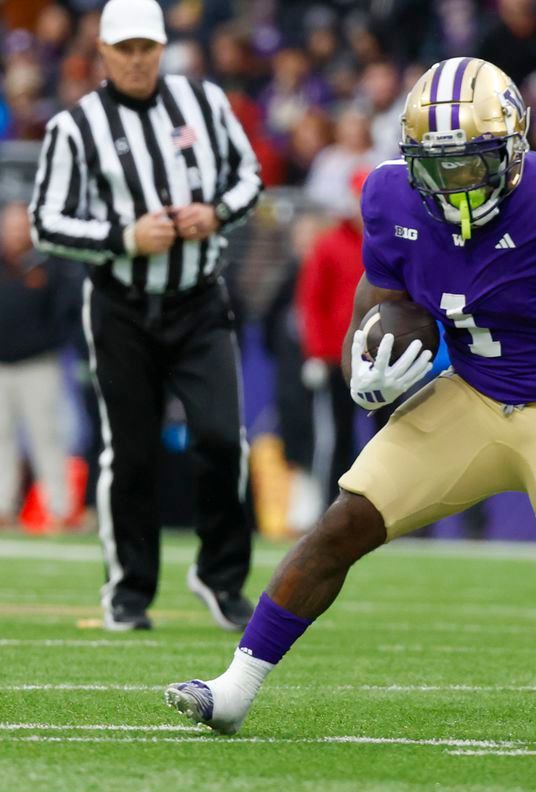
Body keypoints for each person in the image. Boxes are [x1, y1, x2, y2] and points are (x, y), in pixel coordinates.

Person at [166, 58, 536, 740]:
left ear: (512, 149)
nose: (455, 184)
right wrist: (364, 357)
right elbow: (384, 294)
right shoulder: (390, 196)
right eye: (437, 167)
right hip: (471, 392)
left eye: (472, 164)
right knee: (342, 524)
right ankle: (235, 688)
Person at [28, 0, 262, 631]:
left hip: (199, 300)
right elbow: (45, 222)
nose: (136, 59)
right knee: (130, 454)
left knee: (222, 438)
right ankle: (129, 590)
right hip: (121, 305)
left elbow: (249, 177)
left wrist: (215, 213)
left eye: (146, 47)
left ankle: (219, 576)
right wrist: (123, 237)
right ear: (103, 53)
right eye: (124, 48)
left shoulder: (205, 104)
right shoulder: (75, 127)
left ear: (162, 47)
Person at [0, 202, 82, 530]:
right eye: (11, 226)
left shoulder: (49, 265)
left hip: (38, 364)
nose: (16, 232)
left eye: (22, 226)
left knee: (46, 437)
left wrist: (47, 343)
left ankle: (59, 510)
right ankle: (3, 507)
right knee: (0, 439)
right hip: (1, 366)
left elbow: (66, 313)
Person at [296, 171, 369, 506]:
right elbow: (312, 303)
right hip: (338, 359)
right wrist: (316, 353)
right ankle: (329, 507)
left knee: (391, 436)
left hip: (385, 355)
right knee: (336, 436)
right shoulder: (328, 244)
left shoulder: (391, 241)